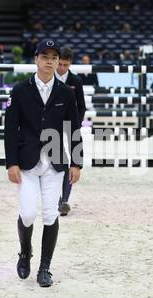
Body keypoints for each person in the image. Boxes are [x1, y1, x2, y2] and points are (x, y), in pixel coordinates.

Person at [4, 39, 83, 287]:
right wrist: (11, 163)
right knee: (27, 214)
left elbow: (74, 129)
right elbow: (10, 129)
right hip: (26, 162)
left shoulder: (66, 93)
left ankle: (45, 268)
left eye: (54, 57)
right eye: (45, 56)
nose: (50, 61)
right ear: (36, 59)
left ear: (58, 61)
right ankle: (25, 252)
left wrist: (76, 163)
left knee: (50, 214)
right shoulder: (20, 90)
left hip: (55, 162)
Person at [55, 47, 86, 216]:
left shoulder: (76, 81)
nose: (61, 68)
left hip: (70, 125)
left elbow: (81, 106)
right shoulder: (48, 77)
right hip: (51, 127)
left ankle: (64, 199)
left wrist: (76, 124)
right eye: (59, 64)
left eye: (65, 65)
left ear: (70, 63)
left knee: (74, 160)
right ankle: (56, 198)